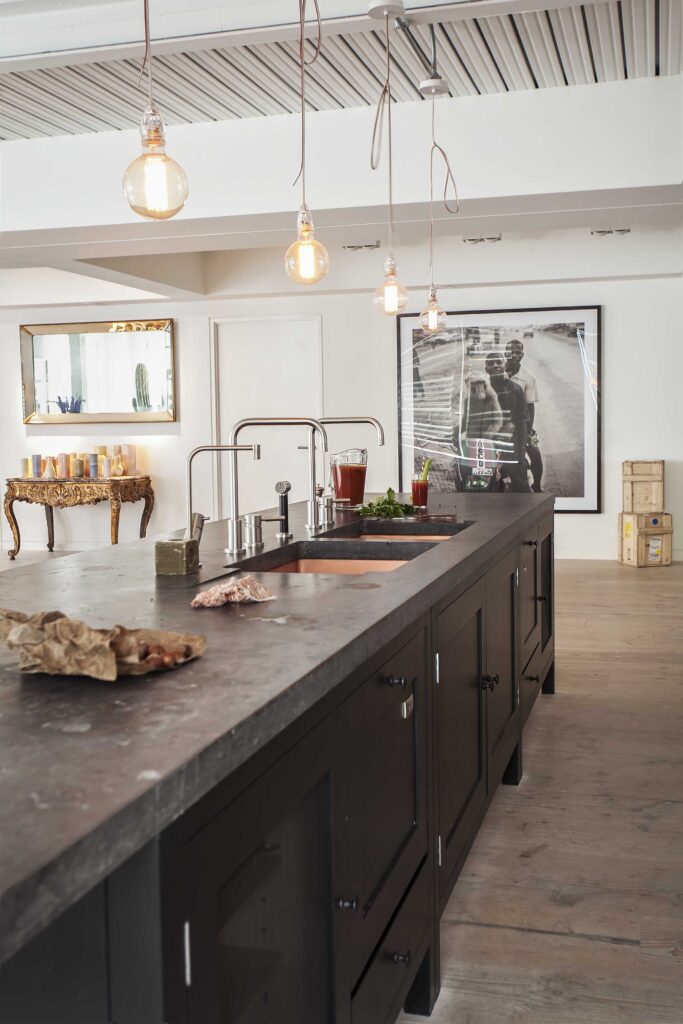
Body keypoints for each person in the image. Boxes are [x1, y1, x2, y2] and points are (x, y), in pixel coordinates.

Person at [484, 351, 530, 492]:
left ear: (505, 365)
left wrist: (521, 454)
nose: (495, 365)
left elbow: (522, 423)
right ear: (486, 369)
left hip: (512, 446)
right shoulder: (481, 390)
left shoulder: (516, 389)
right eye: (490, 363)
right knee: (488, 486)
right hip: (489, 445)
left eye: (499, 362)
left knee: (520, 485)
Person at [505, 339, 544, 493]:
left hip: (521, 423)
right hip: (501, 423)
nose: (514, 355)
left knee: (535, 453)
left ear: (522, 355)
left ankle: (537, 485)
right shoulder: (498, 372)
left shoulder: (528, 377)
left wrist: (528, 431)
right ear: (505, 353)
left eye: (517, 352)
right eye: (510, 352)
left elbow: (530, 406)